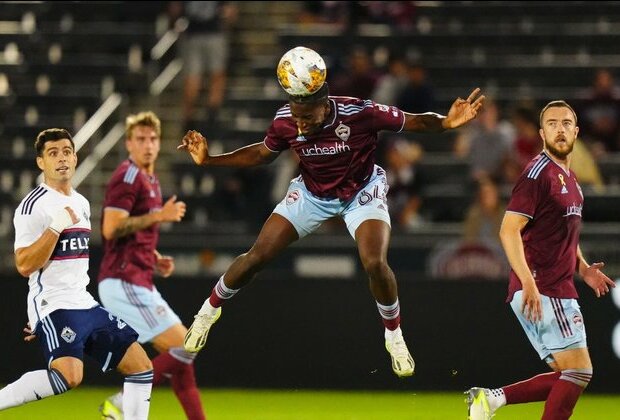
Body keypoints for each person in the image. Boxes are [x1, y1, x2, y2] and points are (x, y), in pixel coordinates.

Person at [178, 49, 485, 378]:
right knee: (256, 256)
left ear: (324, 105)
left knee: (375, 264)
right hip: (312, 194)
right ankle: (207, 313)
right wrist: (210, 160)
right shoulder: (286, 121)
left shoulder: (360, 113)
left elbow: (414, 121)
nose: (300, 125)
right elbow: (262, 155)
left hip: (361, 192)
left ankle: (393, 335)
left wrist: (448, 123)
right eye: (296, 117)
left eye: (306, 118)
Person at [466, 101, 616, 419]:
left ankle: (490, 400)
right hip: (543, 287)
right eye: (552, 123)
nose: (559, 129)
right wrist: (530, 282)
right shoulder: (537, 174)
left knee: (568, 375)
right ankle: (493, 400)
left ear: (576, 132)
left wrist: (584, 268)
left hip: (547, 287)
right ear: (541, 133)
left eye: (565, 123)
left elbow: (564, 239)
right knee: (580, 372)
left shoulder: (572, 182)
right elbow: (509, 231)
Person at [0, 128, 153, 419]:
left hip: (84, 303)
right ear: (40, 163)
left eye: (66, 152)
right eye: (52, 153)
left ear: (75, 158)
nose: (61, 159)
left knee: (141, 366)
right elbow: (24, 264)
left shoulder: (81, 203)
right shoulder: (32, 207)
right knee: (69, 376)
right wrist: (54, 229)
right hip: (55, 305)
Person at [95, 112, 207, 420]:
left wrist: (154, 257)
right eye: (140, 139)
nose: (148, 145)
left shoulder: (151, 180)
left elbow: (135, 232)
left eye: (153, 139)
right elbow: (110, 228)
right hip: (122, 280)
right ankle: (121, 402)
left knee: (183, 362)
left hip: (139, 278)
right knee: (186, 345)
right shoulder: (127, 176)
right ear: (129, 144)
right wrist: (159, 216)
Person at [169, 1, 238, 133]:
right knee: (215, 76)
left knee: (194, 78)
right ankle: (210, 117)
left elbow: (175, 10)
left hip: (195, 35)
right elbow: (230, 12)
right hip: (212, 34)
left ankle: (190, 119)